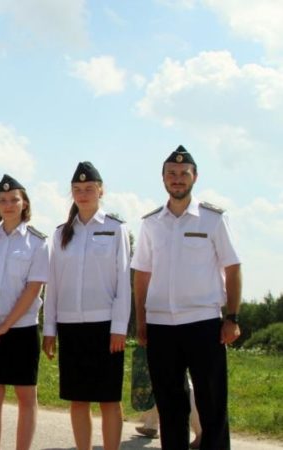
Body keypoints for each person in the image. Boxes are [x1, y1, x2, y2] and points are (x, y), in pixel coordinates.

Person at [132, 145, 241, 450]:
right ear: (163, 178)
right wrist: (141, 321)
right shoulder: (151, 223)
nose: (177, 178)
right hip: (160, 325)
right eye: (171, 173)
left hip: (204, 324)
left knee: (212, 404)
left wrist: (232, 318)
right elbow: (141, 274)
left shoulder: (213, 219)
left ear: (195, 177)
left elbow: (232, 268)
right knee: (170, 407)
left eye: (183, 173)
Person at [43, 162, 130, 450]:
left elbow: (123, 283)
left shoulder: (115, 229)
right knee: (78, 399)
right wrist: (50, 329)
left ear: (101, 191)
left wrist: (119, 327)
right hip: (70, 325)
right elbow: (53, 284)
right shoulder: (61, 233)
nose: (83, 194)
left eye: (89, 189)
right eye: (77, 190)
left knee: (108, 399)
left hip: (105, 326)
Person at [0, 174, 49, 450]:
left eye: (13, 199)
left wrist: (6, 325)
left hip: (21, 330)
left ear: (24, 203)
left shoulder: (37, 243)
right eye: (2, 200)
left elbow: (33, 290)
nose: (8, 204)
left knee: (26, 397)